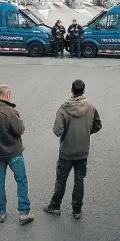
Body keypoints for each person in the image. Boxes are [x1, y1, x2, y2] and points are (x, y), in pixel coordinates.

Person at [43, 79, 102, 219]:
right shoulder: (91, 107)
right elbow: (98, 125)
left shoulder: (63, 109)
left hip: (66, 152)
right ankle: (76, 210)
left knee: (61, 180)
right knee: (79, 180)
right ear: (83, 90)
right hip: (82, 152)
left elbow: (57, 131)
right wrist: (86, 132)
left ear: (71, 90)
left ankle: (55, 206)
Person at [0, 84, 34, 225]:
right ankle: (24, 212)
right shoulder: (10, 111)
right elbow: (20, 130)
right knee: (21, 180)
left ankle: (0, 212)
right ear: (7, 95)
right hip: (12, 152)